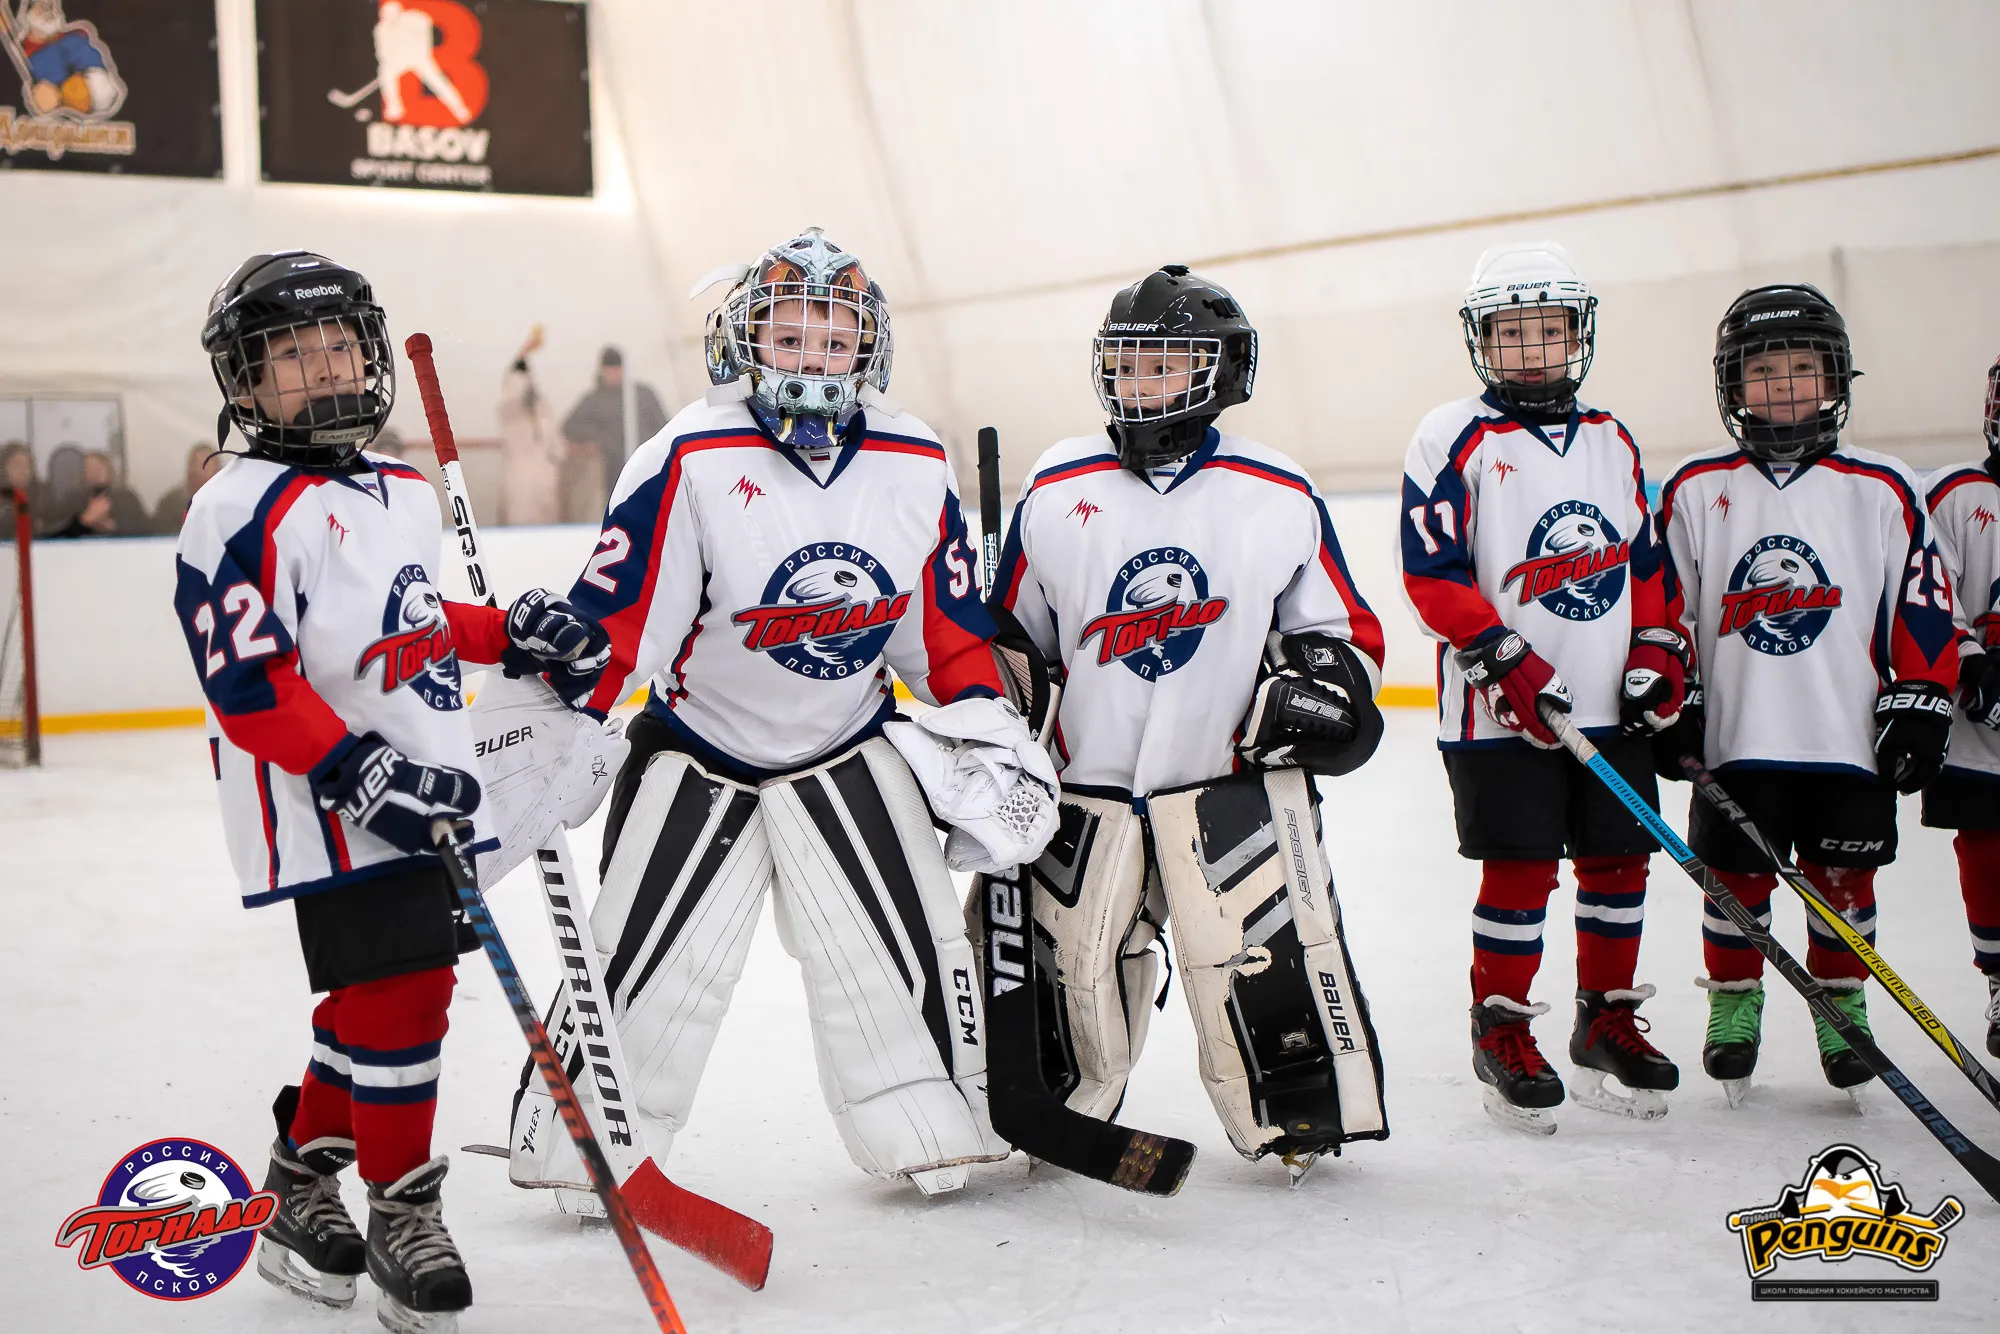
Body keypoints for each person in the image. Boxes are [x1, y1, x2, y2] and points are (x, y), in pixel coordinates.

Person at [508, 227, 1052, 1199]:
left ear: (868, 350)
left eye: (834, 339)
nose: (813, 357)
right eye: (790, 335)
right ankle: (583, 1147)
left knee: (897, 953)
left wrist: (987, 724)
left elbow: (945, 631)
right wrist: (555, 724)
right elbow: (617, 625)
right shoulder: (685, 455)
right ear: (743, 342)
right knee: (643, 961)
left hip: (845, 741)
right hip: (698, 743)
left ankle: (931, 1126)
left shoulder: (912, 458)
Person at [178, 250, 608, 1329]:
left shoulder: (400, 489)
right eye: (291, 355)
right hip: (326, 806)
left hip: (430, 787)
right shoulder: (231, 509)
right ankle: (402, 1209)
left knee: (379, 1002)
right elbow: (248, 683)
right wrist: (357, 771)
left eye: (336, 346)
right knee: (406, 997)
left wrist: (505, 631)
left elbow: (419, 618)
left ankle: (295, 1181)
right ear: (245, 379)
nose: (322, 370)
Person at [991, 264, 1391, 1181]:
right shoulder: (1057, 484)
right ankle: (1048, 1105)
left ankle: (1297, 1111)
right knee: (1070, 968)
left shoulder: (1274, 488)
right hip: (1084, 785)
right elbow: (1015, 633)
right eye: (1126, 366)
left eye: (1165, 365)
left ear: (1222, 371)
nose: (1140, 386)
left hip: (1228, 784)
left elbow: (1340, 629)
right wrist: (1001, 686)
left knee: (1258, 957)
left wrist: (1326, 684)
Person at [1398, 241, 1682, 1133]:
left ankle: (1605, 1019)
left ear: (1577, 335)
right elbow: (1432, 570)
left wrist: (1659, 649)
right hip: (1499, 714)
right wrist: (1500, 656)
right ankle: (1503, 1028)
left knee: (1619, 866)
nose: (1532, 348)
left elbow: (1647, 565)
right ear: (1483, 339)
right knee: (1519, 871)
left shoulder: (1612, 435)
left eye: (1548, 330)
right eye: (1512, 331)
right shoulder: (1453, 434)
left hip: (1609, 703)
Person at [1655, 284, 1957, 1100]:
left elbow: (1924, 608)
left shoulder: (1883, 487)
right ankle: (1734, 1001)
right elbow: (1664, 611)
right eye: (1765, 371)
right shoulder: (1693, 490)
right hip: (1738, 737)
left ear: (1836, 380)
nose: (1785, 385)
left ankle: (1842, 1006)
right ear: (1732, 387)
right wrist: (1669, 697)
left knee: (1842, 883)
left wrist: (1924, 695)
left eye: (1803, 368)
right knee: (1735, 882)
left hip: (1844, 736)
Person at [1916, 355, 2000, 1058]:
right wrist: (1972, 665)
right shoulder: (1957, 493)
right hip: (1980, 738)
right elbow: (1928, 591)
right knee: (1990, 847)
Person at [559, 345, 666, 523]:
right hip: (613, 468)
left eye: (617, 369)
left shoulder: (643, 394)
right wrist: (598, 439)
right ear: (602, 371)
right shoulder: (594, 399)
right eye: (610, 369)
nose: (614, 373)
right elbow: (570, 426)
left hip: (647, 466)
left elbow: (663, 426)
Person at [497, 325, 563, 525]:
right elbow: (513, 390)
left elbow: (557, 447)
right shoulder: (511, 412)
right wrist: (524, 352)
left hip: (545, 480)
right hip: (521, 482)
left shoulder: (543, 411)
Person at [47, 448, 148, 537]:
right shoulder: (73, 499)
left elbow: (143, 530)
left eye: (98, 467)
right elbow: (59, 532)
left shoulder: (126, 497)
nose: (94, 472)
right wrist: (86, 522)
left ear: (109, 470)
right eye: (88, 468)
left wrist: (114, 527)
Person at [150, 442, 224, 534]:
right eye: (195, 464)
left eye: (206, 464)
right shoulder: (170, 504)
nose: (197, 470)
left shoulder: (231, 503)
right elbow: (163, 539)